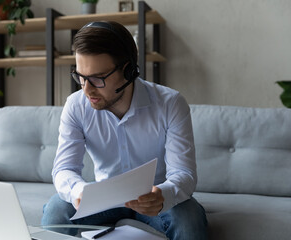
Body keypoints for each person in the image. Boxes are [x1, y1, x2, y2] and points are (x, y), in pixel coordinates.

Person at [41, 21, 208, 239]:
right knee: (55, 211)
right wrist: (78, 192)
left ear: (128, 71)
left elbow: (184, 174)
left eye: (97, 78)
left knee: (189, 219)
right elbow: (63, 168)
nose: (86, 89)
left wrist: (164, 195)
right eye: (80, 77)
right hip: (102, 197)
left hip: (155, 197)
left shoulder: (170, 104)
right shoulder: (75, 105)